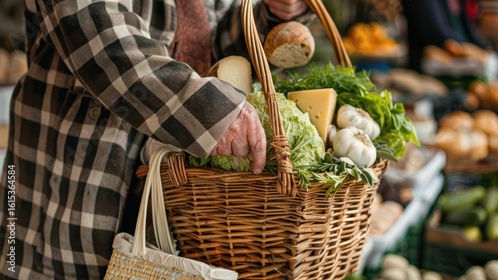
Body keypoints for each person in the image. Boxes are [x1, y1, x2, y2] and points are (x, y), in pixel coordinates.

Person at [0, 0, 313, 278]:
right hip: (76, 189)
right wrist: (211, 110)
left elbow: (211, 42)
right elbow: (99, 34)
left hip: (176, 212)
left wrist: (270, 16)